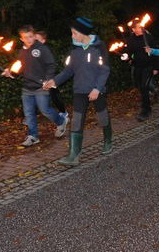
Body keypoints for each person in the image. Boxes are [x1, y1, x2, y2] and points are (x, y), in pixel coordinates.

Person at [42, 17, 112, 166]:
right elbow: (69, 70)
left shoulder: (99, 47)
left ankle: (107, 140)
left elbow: (104, 70)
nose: (72, 36)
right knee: (76, 121)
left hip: (96, 90)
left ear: (83, 32)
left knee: (102, 117)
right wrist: (54, 81)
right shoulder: (75, 49)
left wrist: (97, 89)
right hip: (80, 90)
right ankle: (73, 155)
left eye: (74, 33)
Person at [2, 25, 69, 147]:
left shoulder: (42, 49)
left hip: (41, 86)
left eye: (30, 36)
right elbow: (19, 67)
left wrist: (48, 80)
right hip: (27, 87)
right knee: (29, 113)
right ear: (21, 39)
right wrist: (10, 72)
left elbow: (51, 65)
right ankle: (33, 136)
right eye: (25, 37)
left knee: (45, 110)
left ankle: (61, 121)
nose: (28, 39)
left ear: (34, 36)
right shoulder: (22, 51)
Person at [123, 20, 159, 121]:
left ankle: (146, 110)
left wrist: (156, 67)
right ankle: (153, 90)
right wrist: (127, 57)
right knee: (140, 86)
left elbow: (155, 51)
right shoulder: (130, 39)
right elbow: (129, 52)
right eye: (137, 27)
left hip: (148, 66)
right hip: (137, 66)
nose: (139, 29)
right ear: (133, 29)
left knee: (144, 87)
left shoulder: (148, 37)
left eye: (140, 27)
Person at [35, 30, 67, 115]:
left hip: (49, 76)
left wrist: (49, 78)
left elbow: (50, 64)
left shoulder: (45, 50)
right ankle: (30, 115)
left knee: (54, 95)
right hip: (39, 77)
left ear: (43, 41)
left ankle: (63, 112)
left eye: (37, 39)